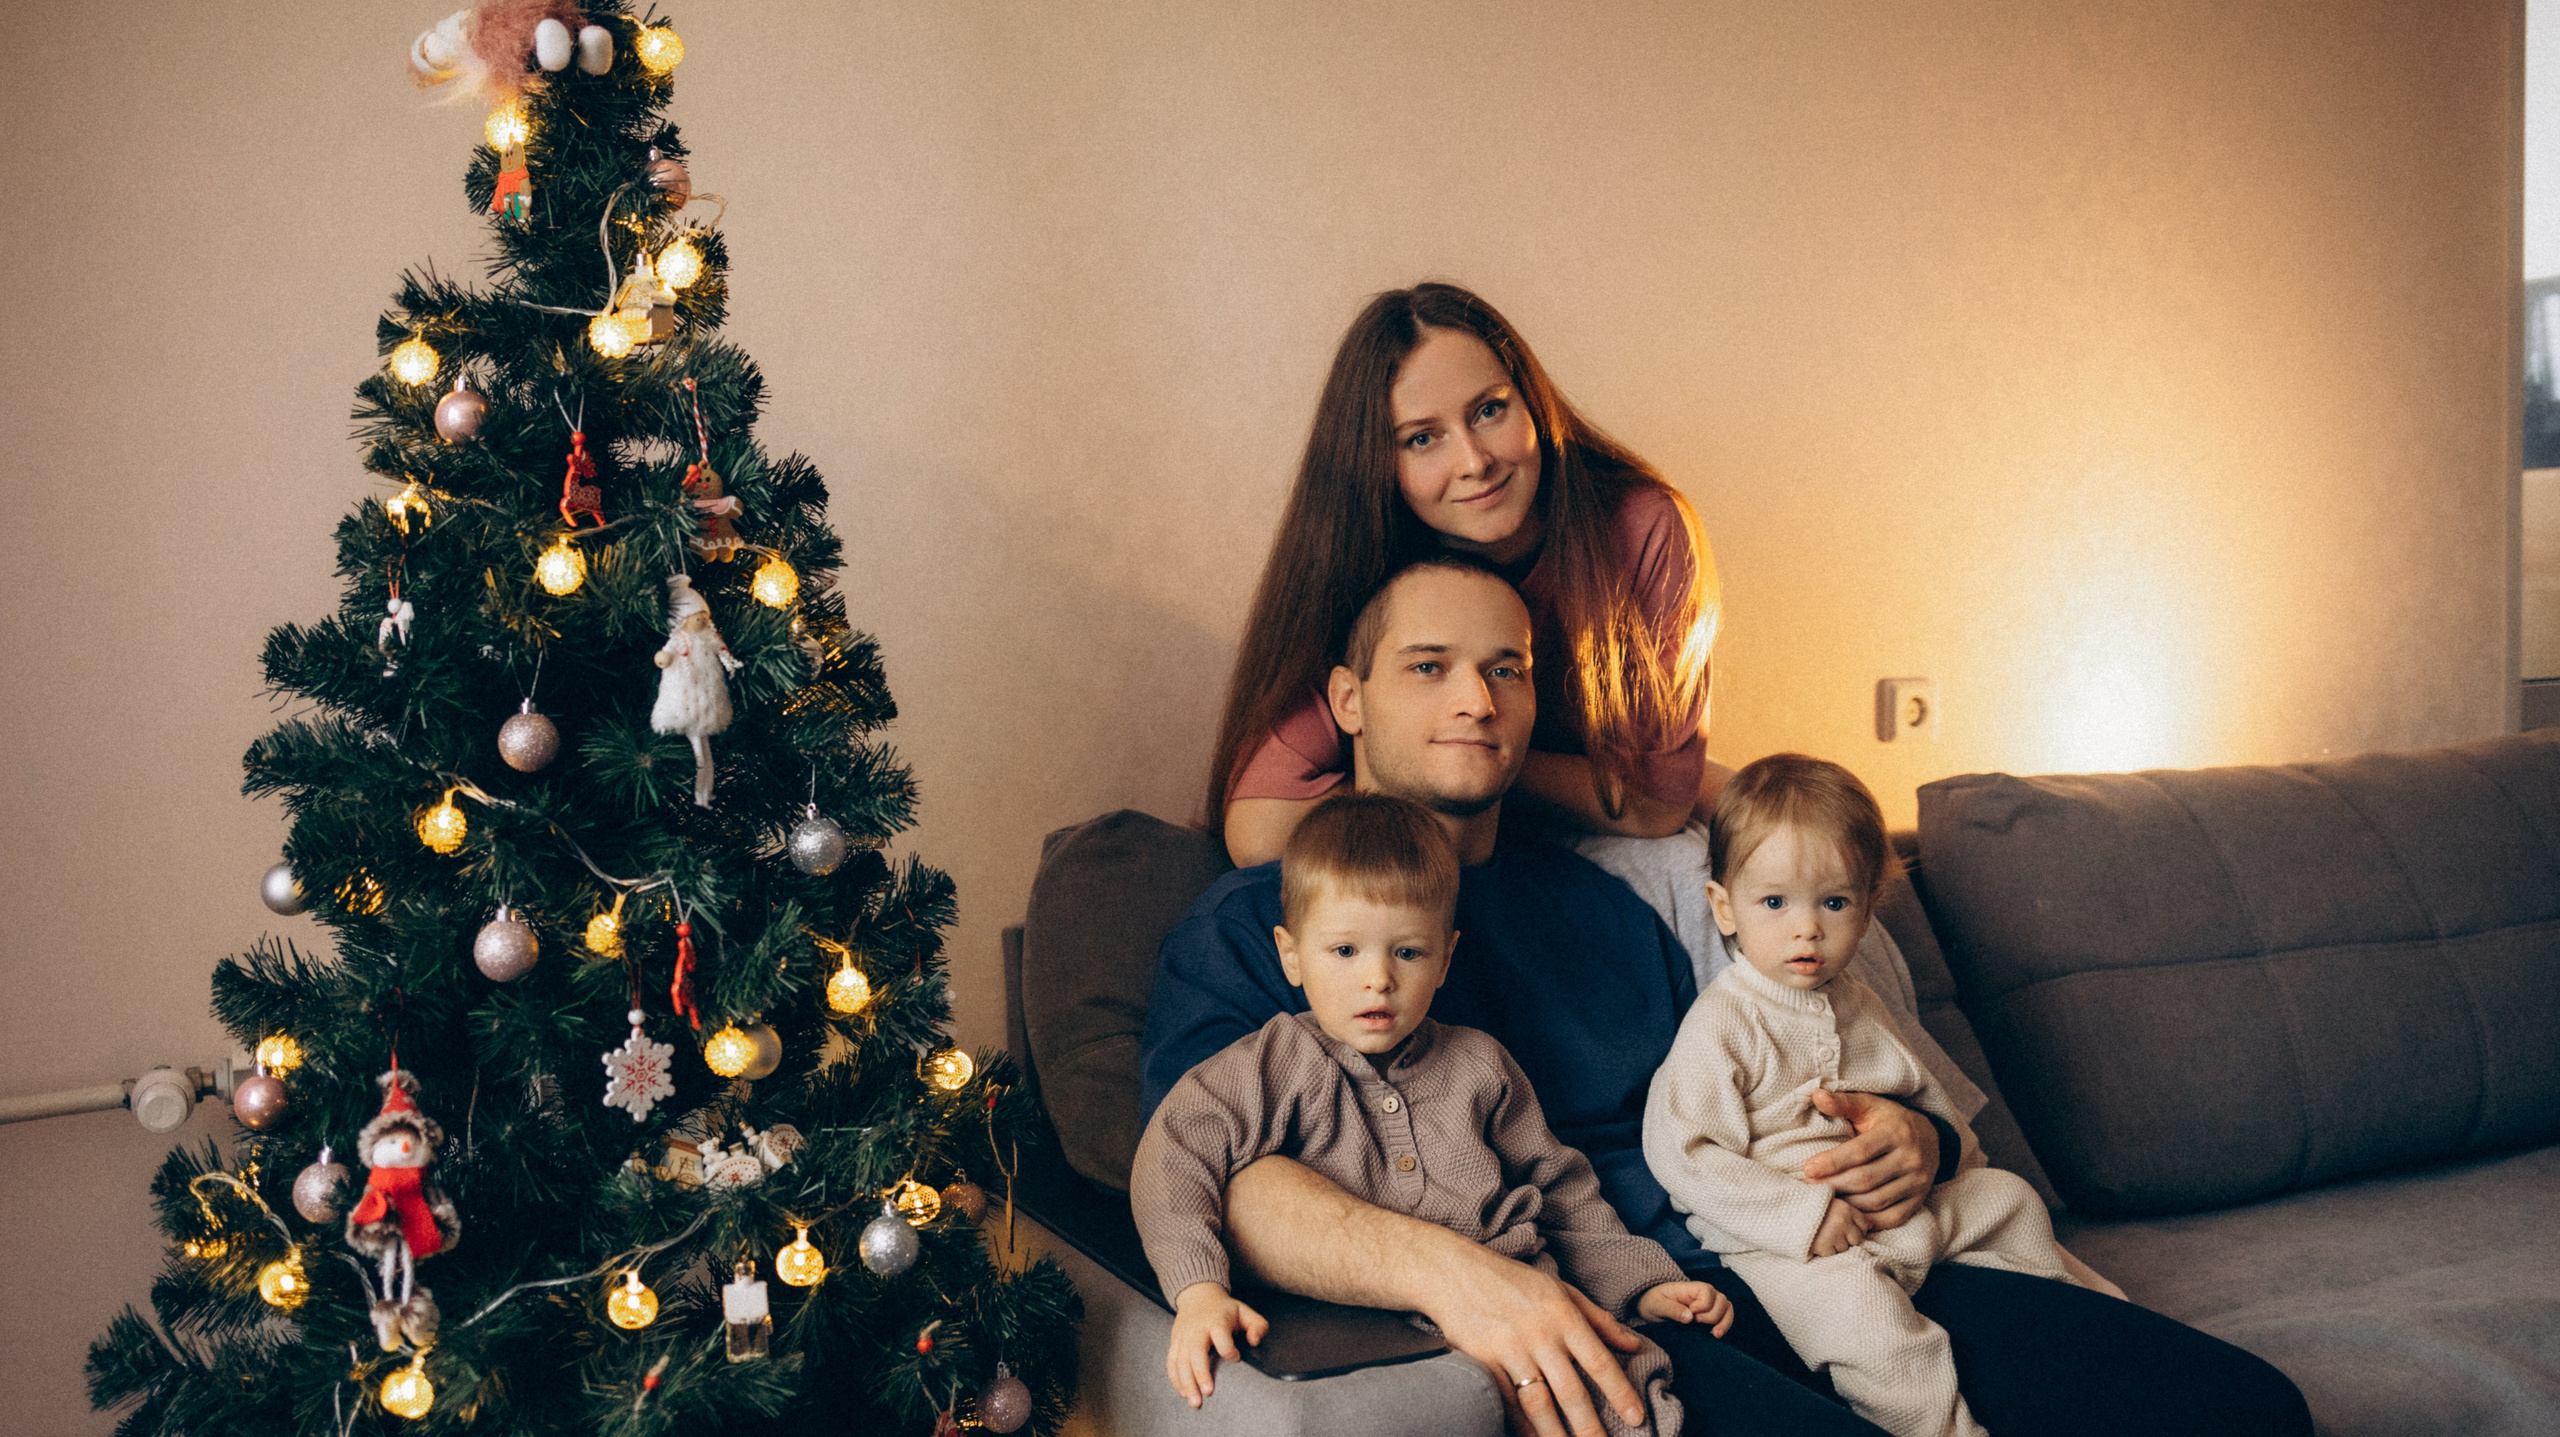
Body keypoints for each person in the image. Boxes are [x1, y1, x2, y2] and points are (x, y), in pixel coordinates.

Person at [1140, 556, 2314, 1437]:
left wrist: (1915, 1137)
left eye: (1507, 668)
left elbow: (1774, 1068)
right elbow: (1227, 1171)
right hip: (1613, 1306)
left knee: (2239, 1410)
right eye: (1429, 666)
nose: (1479, 700)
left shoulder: (1609, 907)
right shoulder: (1267, 924)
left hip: (1779, 1254)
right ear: (1346, 699)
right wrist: (1467, 1282)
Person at [1134, 792, 1732, 1434]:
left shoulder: (1481, 1065)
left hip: (1535, 1289)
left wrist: (1640, 1283)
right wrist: (1198, 1291)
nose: (1379, 980)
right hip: (1392, 1329)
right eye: (1345, 952)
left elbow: (1563, 1192)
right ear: (1291, 955)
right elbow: (1173, 1154)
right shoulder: (1274, 1061)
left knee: (1634, 1388)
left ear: (1445, 958)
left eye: (1408, 953)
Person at [1644, 755, 2124, 1437]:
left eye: (1833, 903)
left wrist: (1944, 1154)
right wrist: (1805, 1215)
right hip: (1795, 1248)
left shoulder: (1860, 1004)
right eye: (1774, 902)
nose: (1805, 928)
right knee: (1876, 1332)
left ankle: (2100, 1318)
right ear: (1725, 906)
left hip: (1899, 1214)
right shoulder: (1725, 1022)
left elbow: (1927, 1101)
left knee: (2008, 1200)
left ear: (1868, 910)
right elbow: (1685, 1153)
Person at [1210, 282, 1723, 873]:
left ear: (1531, 401)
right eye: (1423, 438)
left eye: (1489, 410)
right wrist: (1463, 770)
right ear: (1378, 464)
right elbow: (1260, 829)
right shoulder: (1369, 571)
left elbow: (1655, 804)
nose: (1474, 462)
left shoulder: (1640, 529)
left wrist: (1467, 756)